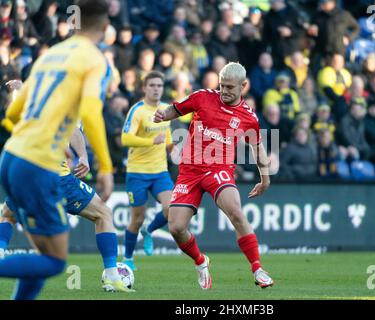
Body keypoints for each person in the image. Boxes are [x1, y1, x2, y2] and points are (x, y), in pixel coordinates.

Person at [0, 0, 114, 300]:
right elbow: (90, 113)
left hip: (11, 156)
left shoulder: (50, 56)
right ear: (104, 26)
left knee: (41, 253)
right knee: (53, 261)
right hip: (37, 164)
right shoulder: (94, 60)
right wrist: (106, 166)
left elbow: (12, 116)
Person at [153, 62, 274, 289]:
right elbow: (176, 109)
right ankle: (201, 261)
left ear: (243, 86)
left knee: (236, 211)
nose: (225, 91)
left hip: (219, 170)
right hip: (189, 170)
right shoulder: (202, 97)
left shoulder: (248, 117)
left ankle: (257, 268)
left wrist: (265, 179)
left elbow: (257, 149)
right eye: (222, 86)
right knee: (176, 228)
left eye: (230, 87)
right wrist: (163, 116)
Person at [0, 126, 132, 293]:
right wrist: (83, 156)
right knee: (102, 215)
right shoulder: (66, 101)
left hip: (21, 169)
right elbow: (73, 128)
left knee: (7, 215)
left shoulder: (27, 101)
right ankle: (112, 277)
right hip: (57, 178)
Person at [121, 71, 174, 269]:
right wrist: (151, 141)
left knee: (172, 208)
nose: (156, 89)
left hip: (160, 171)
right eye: (152, 85)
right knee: (137, 218)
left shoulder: (166, 109)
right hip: (137, 172)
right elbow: (125, 139)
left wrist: (173, 148)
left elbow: (166, 136)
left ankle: (149, 230)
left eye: (159, 85)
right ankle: (127, 258)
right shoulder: (137, 111)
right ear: (144, 88)